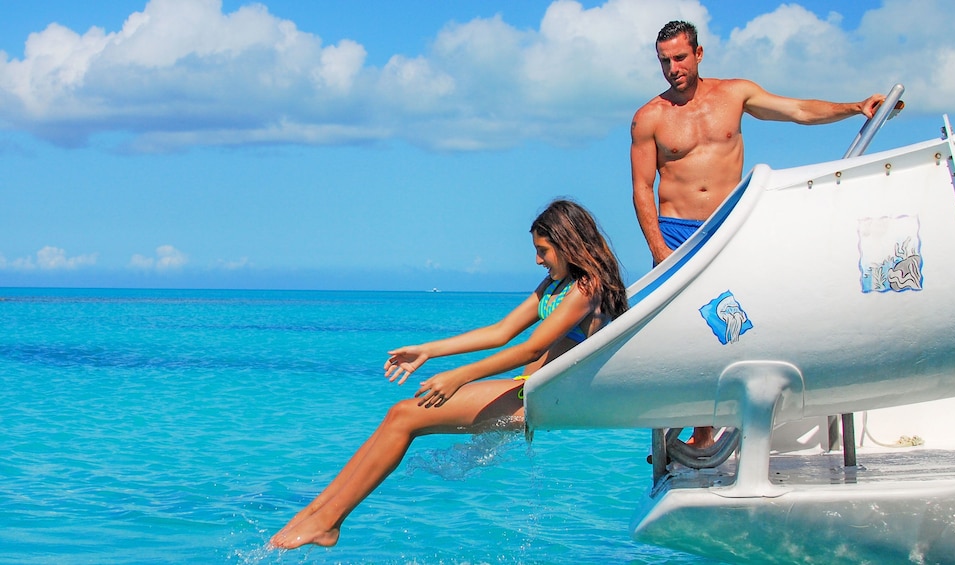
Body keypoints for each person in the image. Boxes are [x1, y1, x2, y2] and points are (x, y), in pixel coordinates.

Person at [269, 199, 629, 550]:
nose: (538, 260)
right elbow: (500, 331)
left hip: (543, 400)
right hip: (526, 390)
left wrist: (459, 376)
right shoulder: (554, 285)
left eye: (544, 251)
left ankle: (329, 522)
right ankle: (316, 512)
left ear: (569, 244)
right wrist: (429, 350)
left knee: (404, 418)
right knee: (399, 414)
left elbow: (530, 350)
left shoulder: (587, 288)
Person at [630, 20, 885, 448]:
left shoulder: (734, 94)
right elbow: (642, 188)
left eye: (679, 57)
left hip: (731, 227)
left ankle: (761, 405)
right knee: (689, 336)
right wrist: (658, 249)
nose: (672, 68)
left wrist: (856, 107)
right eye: (664, 61)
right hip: (677, 234)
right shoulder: (649, 118)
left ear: (698, 54)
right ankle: (703, 430)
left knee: (744, 320)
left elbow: (798, 111)